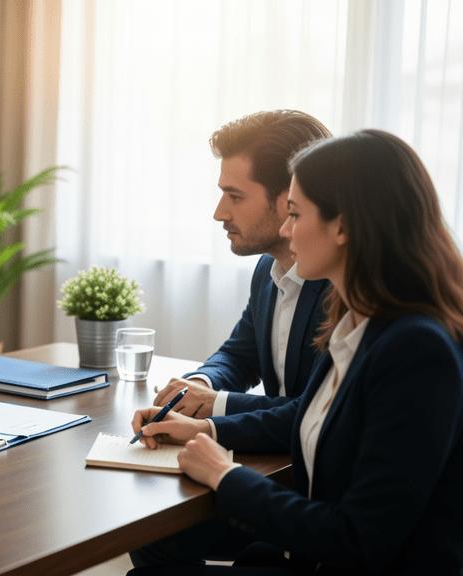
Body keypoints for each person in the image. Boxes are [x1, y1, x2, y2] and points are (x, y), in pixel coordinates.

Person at [130, 129, 463, 574]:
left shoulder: (416, 349)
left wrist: (226, 477)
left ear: (342, 226)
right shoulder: (354, 323)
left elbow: (358, 538)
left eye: (295, 213)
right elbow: (304, 414)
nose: (287, 231)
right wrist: (202, 430)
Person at [154, 111, 331, 419]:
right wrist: (198, 385)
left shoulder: (341, 285)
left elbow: (316, 411)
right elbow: (239, 355)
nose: (219, 213)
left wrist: (215, 407)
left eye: (234, 196)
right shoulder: (268, 269)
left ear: (290, 197)